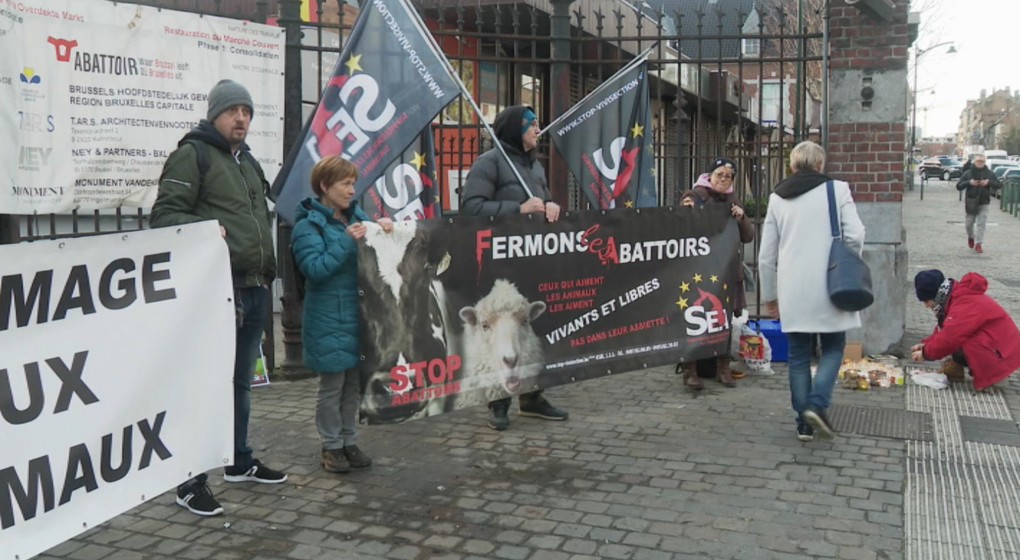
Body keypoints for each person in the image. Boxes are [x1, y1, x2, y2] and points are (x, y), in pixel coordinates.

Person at [150, 79, 286, 517]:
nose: (241, 118)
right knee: (205, 385)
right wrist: (209, 228)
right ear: (215, 115)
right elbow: (165, 215)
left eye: (247, 111)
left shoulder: (247, 162)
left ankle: (239, 460)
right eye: (233, 111)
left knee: (240, 384)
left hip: (255, 285)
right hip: (216, 290)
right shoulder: (194, 155)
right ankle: (189, 481)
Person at [460, 104, 568, 431]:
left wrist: (550, 206)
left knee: (529, 332)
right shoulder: (489, 163)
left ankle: (533, 396)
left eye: (537, 123)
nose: (539, 129)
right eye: (532, 124)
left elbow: (543, 199)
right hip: (499, 261)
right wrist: (516, 208)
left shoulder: (535, 167)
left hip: (532, 258)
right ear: (513, 130)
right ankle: (498, 402)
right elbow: (471, 207)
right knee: (502, 333)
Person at [758, 141, 866, 442]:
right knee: (833, 347)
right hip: (832, 284)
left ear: (792, 166)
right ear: (820, 165)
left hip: (793, 288)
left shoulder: (778, 198)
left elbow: (766, 255)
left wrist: (770, 296)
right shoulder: (837, 190)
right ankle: (817, 403)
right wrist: (849, 260)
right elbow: (856, 234)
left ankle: (803, 423)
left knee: (798, 355)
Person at [291, 156, 394, 473]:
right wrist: (348, 243)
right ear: (325, 186)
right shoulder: (307, 226)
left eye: (353, 183)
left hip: (357, 315)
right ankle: (331, 446)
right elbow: (315, 269)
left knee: (353, 386)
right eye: (345, 183)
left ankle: (349, 440)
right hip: (328, 317)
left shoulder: (358, 218)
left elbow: (379, 256)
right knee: (332, 385)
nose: (352, 190)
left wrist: (386, 230)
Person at [679, 158, 755, 389]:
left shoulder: (733, 200)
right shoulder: (695, 195)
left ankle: (722, 368)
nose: (723, 179)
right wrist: (686, 210)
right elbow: (677, 225)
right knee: (693, 318)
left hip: (726, 272)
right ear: (710, 175)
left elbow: (748, 236)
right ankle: (690, 371)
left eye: (728, 176)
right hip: (698, 272)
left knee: (724, 319)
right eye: (719, 174)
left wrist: (741, 218)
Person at [910, 269, 1020, 391]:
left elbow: (950, 337)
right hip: (1000, 349)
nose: (926, 306)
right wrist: (926, 345)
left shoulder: (963, 302)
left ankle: (995, 375)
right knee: (960, 336)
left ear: (936, 295)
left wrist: (926, 353)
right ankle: (958, 368)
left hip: (1002, 354)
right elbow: (944, 330)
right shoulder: (954, 297)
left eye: (926, 301)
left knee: (963, 339)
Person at [955, 153, 1000, 253]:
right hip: (971, 201)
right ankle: (971, 237)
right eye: (978, 161)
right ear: (975, 162)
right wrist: (969, 183)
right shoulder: (968, 173)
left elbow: (998, 185)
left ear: (985, 162)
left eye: (982, 161)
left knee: (981, 223)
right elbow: (959, 186)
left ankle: (979, 243)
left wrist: (988, 183)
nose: (980, 163)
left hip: (984, 201)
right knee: (969, 223)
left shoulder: (990, 173)